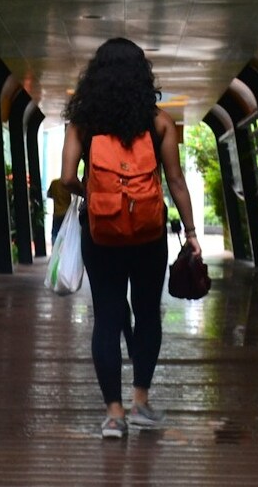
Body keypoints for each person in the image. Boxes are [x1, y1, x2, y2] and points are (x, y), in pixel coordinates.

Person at [60, 37, 201, 440]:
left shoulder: (83, 123)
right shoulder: (158, 123)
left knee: (106, 317)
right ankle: (140, 402)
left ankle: (113, 415)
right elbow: (175, 180)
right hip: (148, 234)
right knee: (146, 313)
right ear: (142, 76)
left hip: (101, 235)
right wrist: (191, 233)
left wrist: (98, 198)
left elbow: (68, 177)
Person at [48, 176, 73, 240]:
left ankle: (55, 249)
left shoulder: (54, 183)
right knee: (66, 236)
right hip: (67, 214)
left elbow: (49, 195)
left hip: (57, 213)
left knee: (55, 234)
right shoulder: (69, 185)